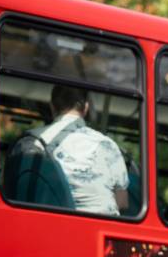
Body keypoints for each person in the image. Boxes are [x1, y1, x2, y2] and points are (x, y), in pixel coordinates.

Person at [27, 85, 129, 215]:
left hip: (52, 222)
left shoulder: (34, 141)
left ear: (52, 106)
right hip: (101, 224)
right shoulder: (108, 144)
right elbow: (122, 203)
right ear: (86, 108)